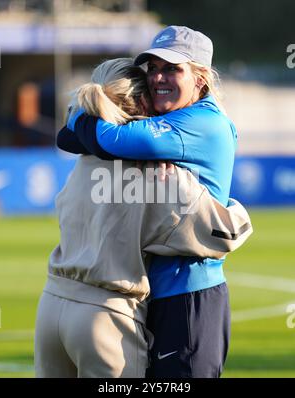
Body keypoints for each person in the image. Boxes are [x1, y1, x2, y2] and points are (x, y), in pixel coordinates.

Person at [64, 26, 246, 378]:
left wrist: (80, 113)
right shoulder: (170, 116)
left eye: (172, 69)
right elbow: (69, 139)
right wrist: (79, 121)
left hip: (188, 296)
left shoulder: (201, 122)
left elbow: (108, 138)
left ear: (201, 77)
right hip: (150, 298)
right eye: (153, 68)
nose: (158, 78)